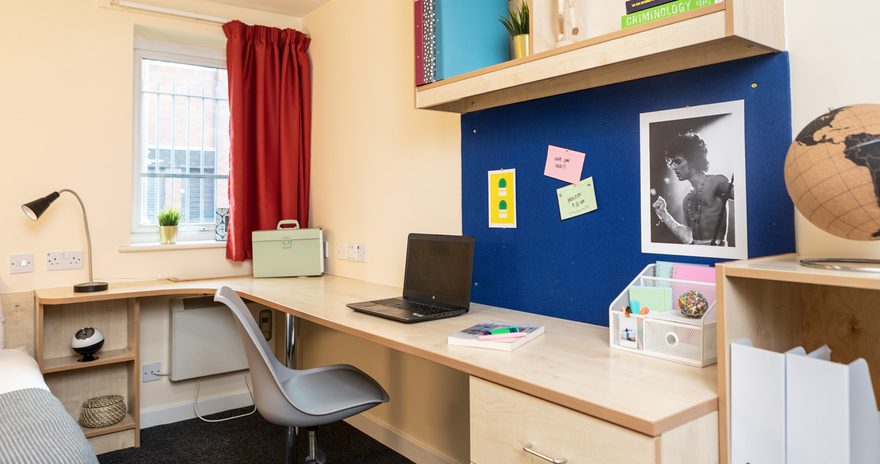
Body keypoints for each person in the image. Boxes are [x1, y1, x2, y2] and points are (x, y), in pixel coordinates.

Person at [652, 131, 734, 245]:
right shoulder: (687, 200)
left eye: (678, 161)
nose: (674, 167)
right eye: (672, 162)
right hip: (696, 256)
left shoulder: (716, 182)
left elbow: (745, 198)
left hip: (718, 257)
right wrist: (664, 215)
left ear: (693, 160)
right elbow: (687, 238)